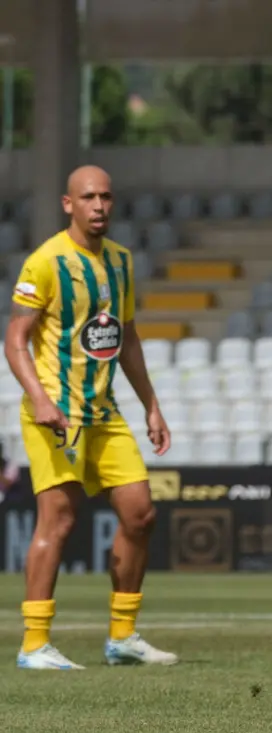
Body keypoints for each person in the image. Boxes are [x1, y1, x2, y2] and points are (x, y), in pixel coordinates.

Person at [5, 165, 177, 670]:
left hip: (104, 413)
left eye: (106, 196)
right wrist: (38, 398)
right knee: (58, 520)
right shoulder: (45, 263)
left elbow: (126, 337)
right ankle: (34, 643)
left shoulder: (121, 262)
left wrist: (151, 404)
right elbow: (15, 340)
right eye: (88, 197)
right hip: (55, 414)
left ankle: (122, 637)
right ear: (68, 204)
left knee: (141, 514)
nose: (99, 205)